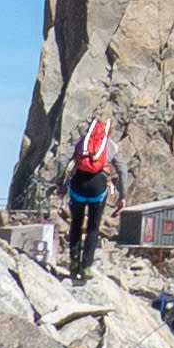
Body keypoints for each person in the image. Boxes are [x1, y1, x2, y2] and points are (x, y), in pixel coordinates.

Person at [60, 116, 115, 277]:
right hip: (98, 188)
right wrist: (123, 196)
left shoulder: (81, 143)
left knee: (76, 224)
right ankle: (87, 265)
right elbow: (122, 170)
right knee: (93, 226)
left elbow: (63, 160)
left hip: (78, 186)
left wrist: (60, 183)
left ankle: (74, 261)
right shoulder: (111, 146)